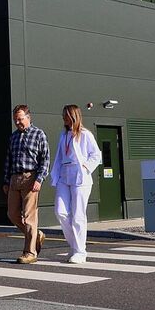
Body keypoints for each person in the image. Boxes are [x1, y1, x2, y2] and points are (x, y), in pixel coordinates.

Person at [49, 104, 102, 264]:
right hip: (64, 175)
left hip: (80, 176)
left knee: (78, 214)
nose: (63, 118)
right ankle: (74, 246)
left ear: (74, 116)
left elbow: (96, 155)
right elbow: (59, 156)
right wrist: (55, 175)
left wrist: (85, 167)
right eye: (63, 115)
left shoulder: (85, 134)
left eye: (66, 115)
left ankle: (80, 251)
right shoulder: (63, 135)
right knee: (61, 211)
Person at [2, 104, 50, 264]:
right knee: (12, 214)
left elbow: (45, 159)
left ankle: (30, 252)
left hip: (31, 177)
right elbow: (8, 160)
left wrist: (39, 179)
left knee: (29, 217)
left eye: (20, 119)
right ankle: (37, 235)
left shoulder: (39, 134)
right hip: (15, 178)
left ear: (28, 117)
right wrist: (6, 181)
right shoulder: (13, 136)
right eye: (15, 120)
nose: (17, 122)